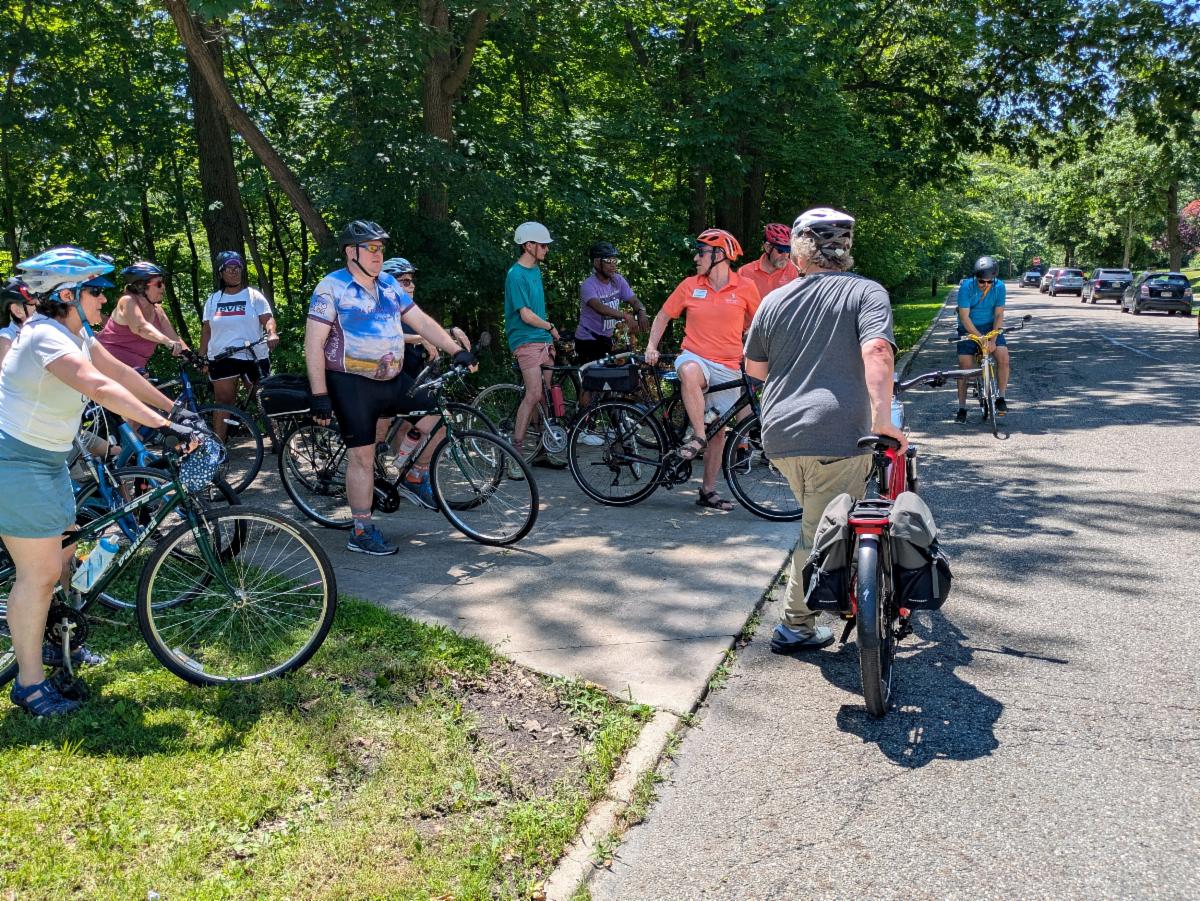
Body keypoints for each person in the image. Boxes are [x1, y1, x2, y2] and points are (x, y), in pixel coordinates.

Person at [0, 247, 193, 716]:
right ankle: (29, 685)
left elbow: (120, 372)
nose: (106, 300)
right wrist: (165, 429)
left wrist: (175, 411)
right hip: (16, 462)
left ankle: (49, 644)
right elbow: (99, 387)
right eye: (97, 290)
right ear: (67, 293)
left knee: (63, 559)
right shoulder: (46, 337)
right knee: (40, 573)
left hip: (46, 461)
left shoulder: (75, 332)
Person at [743, 208, 906, 653]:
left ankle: (846, 587)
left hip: (779, 435)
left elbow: (755, 368)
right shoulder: (866, 293)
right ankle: (795, 626)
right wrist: (883, 418)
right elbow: (876, 350)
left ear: (799, 250)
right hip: (840, 434)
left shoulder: (774, 299)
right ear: (846, 250)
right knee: (815, 531)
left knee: (819, 520)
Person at [304, 220, 474, 556]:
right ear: (351, 252)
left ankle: (410, 473)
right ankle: (361, 530)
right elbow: (313, 344)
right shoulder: (331, 287)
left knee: (432, 414)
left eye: (380, 248)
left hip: (392, 379)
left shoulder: (387, 285)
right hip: (351, 383)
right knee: (362, 459)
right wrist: (320, 395)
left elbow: (421, 321)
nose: (378, 254)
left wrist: (457, 350)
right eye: (371, 247)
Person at [644, 228, 761, 510]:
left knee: (719, 433)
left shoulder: (744, 287)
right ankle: (697, 436)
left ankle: (708, 492)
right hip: (694, 355)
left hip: (728, 365)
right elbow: (663, 315)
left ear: (719, 255)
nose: (697, 258)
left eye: (702, 253)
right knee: (689, 372)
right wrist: (651, 346)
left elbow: (760, 324)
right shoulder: (689, 285)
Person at [200, 251, 278, 440]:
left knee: (263, 398)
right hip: (223, 356)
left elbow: (268, 319)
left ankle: (281, 441)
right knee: (223, 402)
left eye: (237, 268)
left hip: (254, 354)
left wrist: (272, 333)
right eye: (229, 268)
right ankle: (218, 447)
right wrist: (201, 356)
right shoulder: (213, 300)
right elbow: (207, 331)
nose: (234, 272)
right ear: (221, 273)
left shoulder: (253, 296)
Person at [504, 221, 558, 459]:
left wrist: (549, 334)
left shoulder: (536, 270)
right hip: (525, 340)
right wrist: (551, 327)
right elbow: (525, 314)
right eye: (543, 245)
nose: (546, 249)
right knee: (534, 394)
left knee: (544, 394)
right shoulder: (515, 275)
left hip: (543, 338)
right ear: (529, 245)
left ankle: (541, 451)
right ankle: (515, 454)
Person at [96, 261, 188, 375]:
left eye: (163, 282)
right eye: (159, 283)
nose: (163, 287)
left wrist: (193, 357)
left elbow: (174, 337)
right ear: (142, 286)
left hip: (135, 371)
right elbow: (140, 327)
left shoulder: (158, 311)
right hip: (106, 365)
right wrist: (167, 342)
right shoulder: (127, 301)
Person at [574, 241, 648, 365]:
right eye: (608, 261)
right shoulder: (588, 285)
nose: (613, 265)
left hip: (606, 340)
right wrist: (625, 316)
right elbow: (599, 307)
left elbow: (634, 300)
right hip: (588, 340)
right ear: (597, 262)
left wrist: (641, 311)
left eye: (614, 261)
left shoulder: (618, 280)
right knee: (597, 381)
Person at [954, 254, 1009, 422]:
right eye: (981, 281)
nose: (985, 285)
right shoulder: (966, 288)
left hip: (990, 326)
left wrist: (992, 339)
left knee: (1003, 357)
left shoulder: (999, 287)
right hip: (969, 327)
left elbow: (999, 314)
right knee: (965, 367)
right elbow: (964, 317)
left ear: (994, 279)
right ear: (975, 278)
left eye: (989, 282)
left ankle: (1000, 397)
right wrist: (980, 338)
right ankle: (962, 408)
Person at [738, 223, 800, 299]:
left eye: (788, 250)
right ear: (767, 247)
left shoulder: (795, 270)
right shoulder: (745, 272)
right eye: (781, 250)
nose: (785, 256)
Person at [0, 276, 36, 368]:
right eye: (34, 304)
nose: (42, 307)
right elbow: (4, 374)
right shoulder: (7, 337)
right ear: (17, 311)